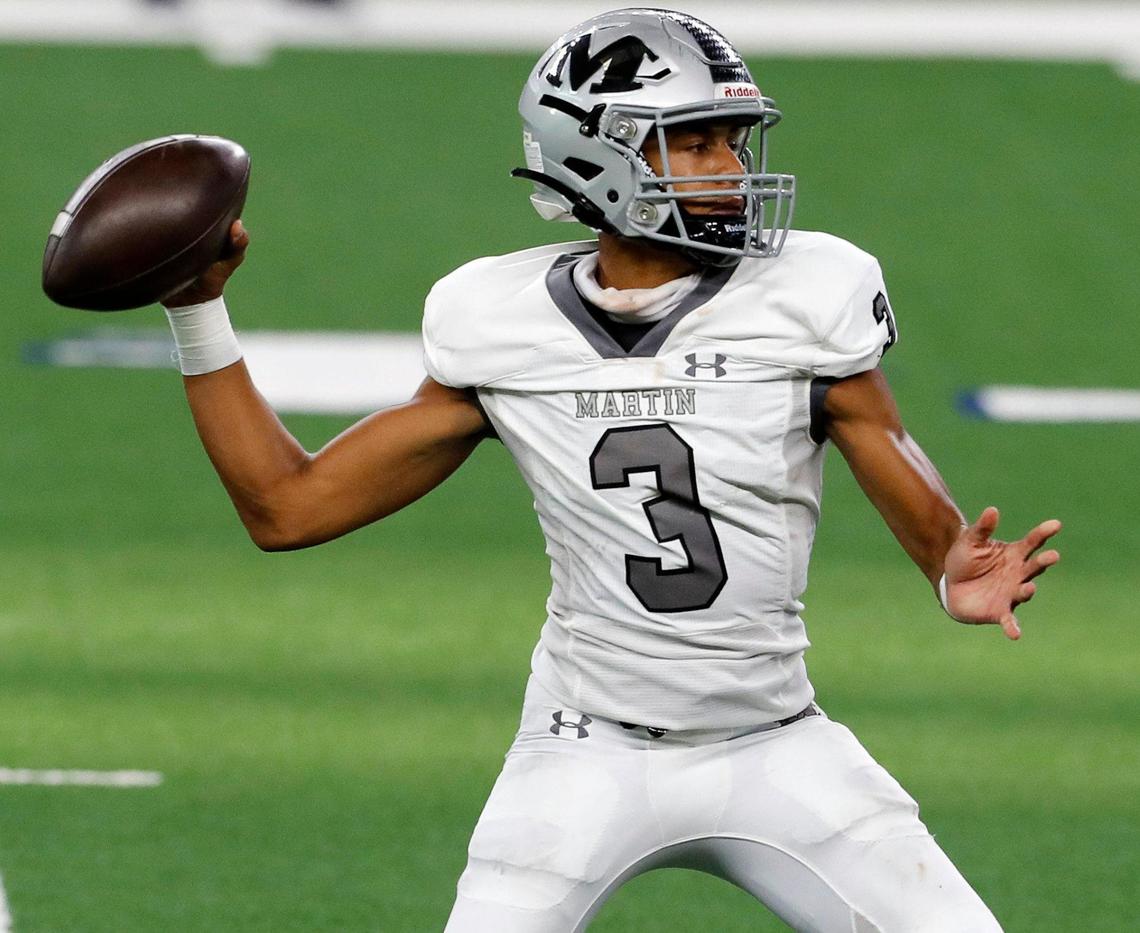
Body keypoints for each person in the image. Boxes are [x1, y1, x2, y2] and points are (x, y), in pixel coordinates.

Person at [160, 9, 1060, 931]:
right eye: (695, 142)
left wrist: (949, 562)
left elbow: (886, 444)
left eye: (733, 141)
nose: (733, 169)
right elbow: (288, 508)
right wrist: (197, 311)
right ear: (598, 157)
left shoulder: (806, 294)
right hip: (583, 749)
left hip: (778, 741)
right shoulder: (498, 320)